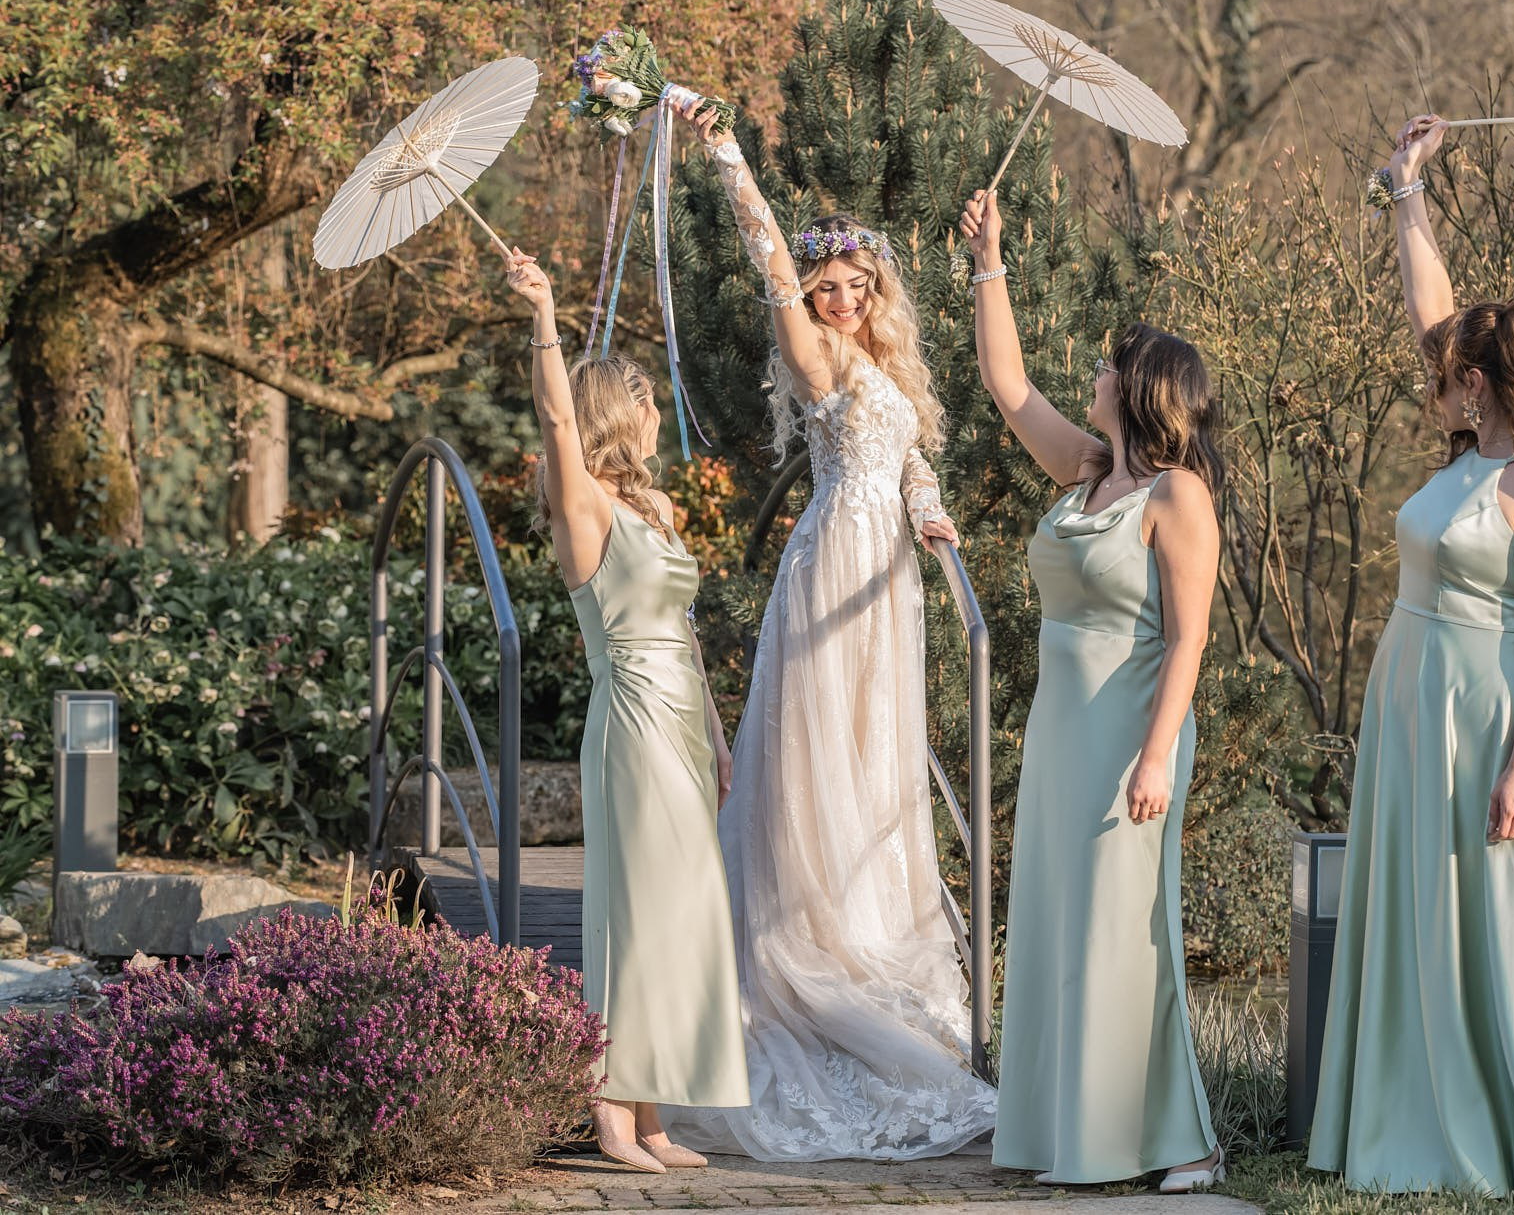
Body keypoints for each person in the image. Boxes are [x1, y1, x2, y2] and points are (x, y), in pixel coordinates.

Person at [1307, 115, 1514, 1199]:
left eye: (1455, 369)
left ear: (1487, 382)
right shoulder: (1463, 454)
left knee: (1483, 916)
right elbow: (1427, 310)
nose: (1437, 372)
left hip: (1490, 714)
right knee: (1415, 908)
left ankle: (1499, 1121)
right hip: (1412, 704)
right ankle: (1406, 1104)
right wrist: (1407, 190)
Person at [660, 95, 997, 1160]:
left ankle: (870, 932)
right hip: (829, 571)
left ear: (877, 292)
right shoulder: (813, 359)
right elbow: (767, 264)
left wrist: (930, 509)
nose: (840, 300)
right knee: (814, 762)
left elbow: (905, 457)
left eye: (855, 287)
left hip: (888, 574)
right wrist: (729, 161)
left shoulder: (891, 372)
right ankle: (812, 949)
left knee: (874, 757)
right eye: (826, 287)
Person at [956, 188, 1225, 1191]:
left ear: (1144, 387)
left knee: (1124, 926)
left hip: (1133, 730)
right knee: (1059, 921)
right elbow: (1005, 381)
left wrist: (1157, 752)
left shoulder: (1175, 494)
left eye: (1112, 365)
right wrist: (991, 260)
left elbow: (1190, 636)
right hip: (1061, 731)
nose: (1097, 373)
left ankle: (1174, 1142)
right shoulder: (1081, 473)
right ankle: (1063, 1133)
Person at [509, 249, 748, 1173]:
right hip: (633, 722)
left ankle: (651, 1112)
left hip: (684, 724)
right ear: (622, 412)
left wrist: (720, 737)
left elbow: (685, 633)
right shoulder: (588, 509)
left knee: (680, 909)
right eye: (648, 404)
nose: (659, 419)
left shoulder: (655, 509)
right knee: (632, 911)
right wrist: (544, 312)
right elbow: (553, 412)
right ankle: (607, 1106)